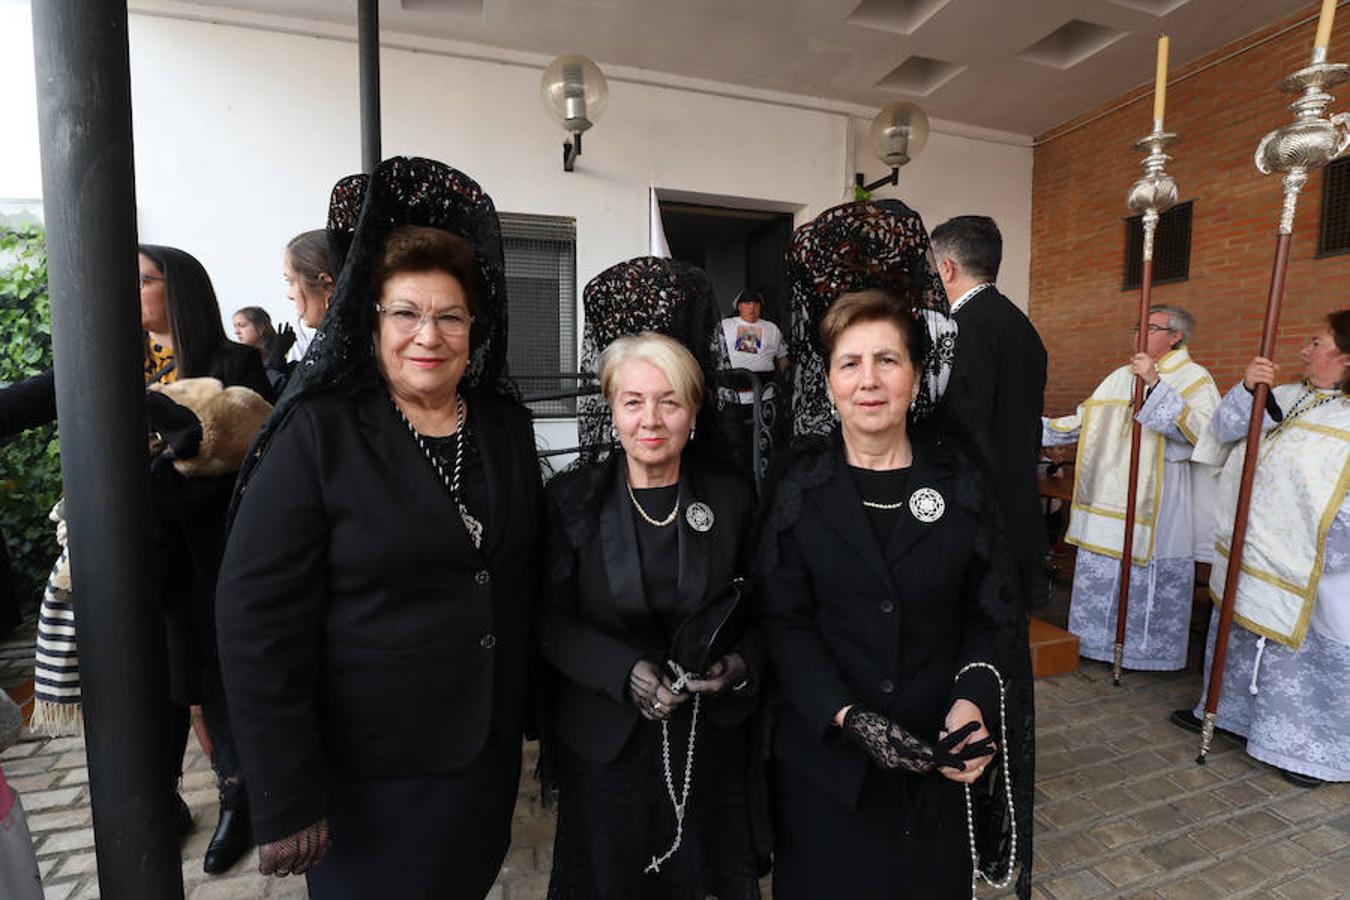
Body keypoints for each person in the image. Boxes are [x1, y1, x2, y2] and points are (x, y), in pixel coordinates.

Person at [216, 158, 540, 899]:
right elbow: (254, 619)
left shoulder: (502, 427)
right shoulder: (318, 436)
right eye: (406, 313)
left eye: (450, 316)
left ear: (474, 328)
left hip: (480, 763)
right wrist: (287, 793)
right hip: (366, 779)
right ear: (371, 321)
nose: (429, 334)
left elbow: (519, 575)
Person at [0, 244, 271, 875]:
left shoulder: (233, 361)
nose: (127, 289)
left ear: (176, 288)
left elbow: (248, 452)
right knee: (147, 683)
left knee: (211, 679)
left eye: (142, 279)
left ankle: (239, 799)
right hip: (130, 555)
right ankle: (163, 797)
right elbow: (31, 398)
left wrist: (167, 481)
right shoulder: (105, 359)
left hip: (208, 548)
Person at [759, 288, 1033, 898]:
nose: (869, 381)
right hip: (827, 771)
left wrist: (972, 701)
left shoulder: (961, 480)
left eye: (888, 360)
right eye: (849, 363)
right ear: (828, 382)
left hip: (937, 760)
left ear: (916, 375)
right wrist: (847, 714)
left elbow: (990, 613)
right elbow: (782, 621)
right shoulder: (798, 483)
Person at [539, 332, 761, 899]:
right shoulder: (572, 500)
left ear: (695, 408)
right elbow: (548, 620)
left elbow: (767, 609)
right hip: (607, 748)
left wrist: (739, 664)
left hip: (707, 746)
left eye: (670, 401)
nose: (651, 420)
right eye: (633, 401)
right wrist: (623, 670)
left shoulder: (732, 498)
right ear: (611, 409)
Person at [1174, 310, 1350, 786]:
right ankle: (1225, 715)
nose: (1304, 350)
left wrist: (1320, 549)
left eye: (1317, 342)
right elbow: (1225, 432)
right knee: (1240, 630)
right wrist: (1248, 389)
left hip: (1317, 562)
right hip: (1255, 545)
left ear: (1347, 356)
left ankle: (1308, 749)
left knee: (1302, 649)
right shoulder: (1288, 396)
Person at [1042, 305, 1222, 671]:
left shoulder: (1195, 377)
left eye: (1151, 327)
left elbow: (1206, 435)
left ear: (1176, 337)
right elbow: (1082, 420)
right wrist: (1028, 428)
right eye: (1137, 325)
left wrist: (1155, 385)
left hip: (1157, 498)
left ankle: (1144, 653)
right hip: (1107, 495)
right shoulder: (1117, 376)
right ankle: (1095, 645)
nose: (1139, 333)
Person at [932, 215, 1049, 609]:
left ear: (946, 268)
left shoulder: (960, 328)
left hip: (976, 505)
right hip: (1017, 498)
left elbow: (963, 422)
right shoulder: (1022, 326)